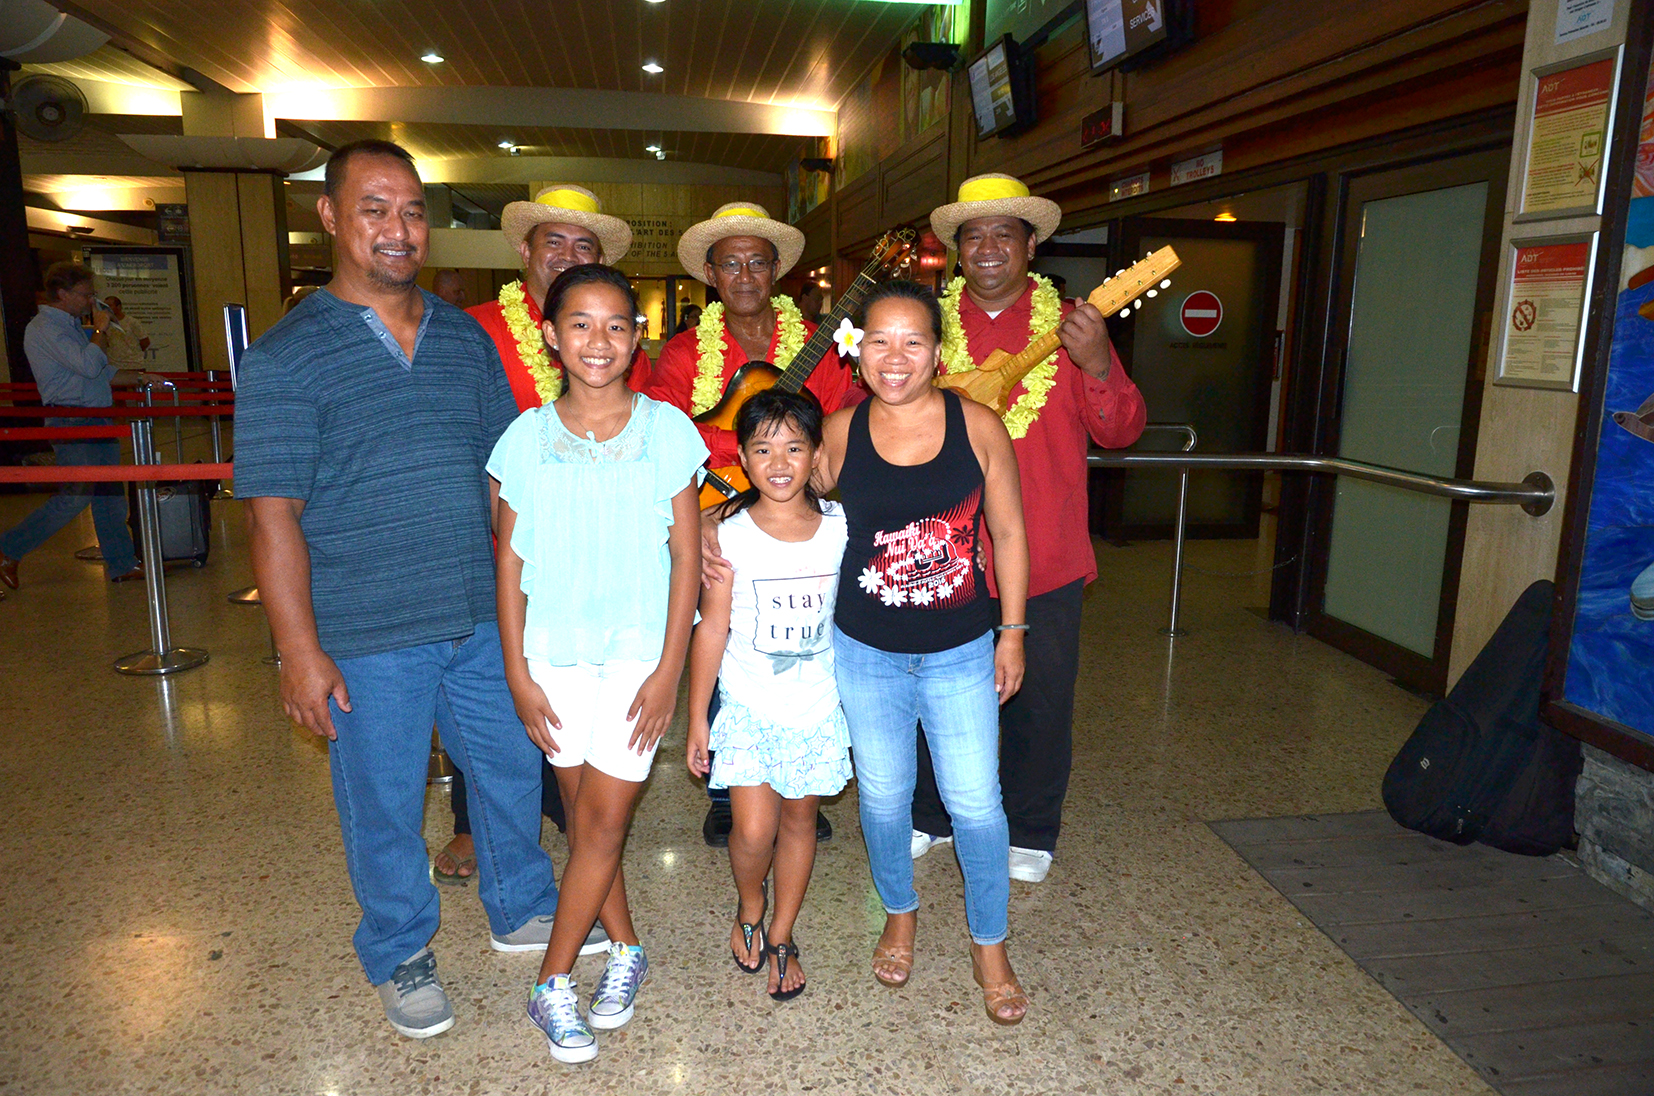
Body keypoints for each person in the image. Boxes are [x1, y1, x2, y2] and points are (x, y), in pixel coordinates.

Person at [234, 139, 572, 1040]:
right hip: (367, 631)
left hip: (478, 616)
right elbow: (272, 518)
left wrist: (533, 600)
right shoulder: (286, 356)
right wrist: (298, 652)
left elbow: (503, 482)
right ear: (330, 217)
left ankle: (519, 902)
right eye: (375, 208)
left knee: (510, 769)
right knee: (384, 800)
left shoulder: (464, 340)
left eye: (413, 211)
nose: (399, 228)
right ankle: (398, 946)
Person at [491, 264, 706, 1063]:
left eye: (617, 324)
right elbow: (508, 562)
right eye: (580, 323)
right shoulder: (524, 437)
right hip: (551, 657)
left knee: (604, 822)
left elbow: (686, 558)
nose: (598, 340)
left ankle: (550, 982)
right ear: (551, 335)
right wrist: (517, 674)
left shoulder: (667, 430)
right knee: (589, 825)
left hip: (636, 659)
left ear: (637, 337)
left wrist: (669, 670)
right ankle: (627, 949)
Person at [911, 174, 1147, 885]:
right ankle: (931, 813)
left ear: (1032, 245)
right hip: (935, 554)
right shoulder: (921, 326)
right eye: (973, 236)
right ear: (957, 250)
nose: (988, 248)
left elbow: (1120, 431)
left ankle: (1032, 827)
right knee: (929, 696)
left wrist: (1098, 363)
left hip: (1045, 555)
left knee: (1038, 704)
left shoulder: (1074, 327)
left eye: (1004, 234)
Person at [437, 184, 650, 885]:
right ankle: (473, 819)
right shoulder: (473, 327)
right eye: (553, 241)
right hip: (494, 522)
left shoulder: (612, 337)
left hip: (589, 538)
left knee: (576, 672)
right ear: (525, 250)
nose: (567, 253)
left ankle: (571, 806)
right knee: (492, 679)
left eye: (583, 245)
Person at [643, 201, 851, 847]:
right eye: (729, 264)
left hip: (794, 512)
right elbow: (663, 442)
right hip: (713, 517)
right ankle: (727, 790)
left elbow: (839, 426)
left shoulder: (818, 343)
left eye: (757, 262)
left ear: (776, 270)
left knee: (799, 636)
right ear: (710, 274)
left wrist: (815, 488)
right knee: (722, 636)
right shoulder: (684, 353)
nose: (743, 276)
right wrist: (702, 516)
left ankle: (797, 778)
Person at [686, 389, 851, 1003]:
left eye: (793, 448)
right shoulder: (729, 537)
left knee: (801, 821)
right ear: (742, 459)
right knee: (754, 831)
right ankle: (750, 904)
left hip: (818, 704)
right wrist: (697, 716)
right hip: (749, 704)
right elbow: (713, 629)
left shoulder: (841, 527)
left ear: (816, 455)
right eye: (762, 450)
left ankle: (782, 932)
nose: (779, 463)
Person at [0, 264, 158, 589]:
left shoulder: (71, 326)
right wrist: (99, 332)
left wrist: (141, 378)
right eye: (86, 294)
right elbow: (88, 365)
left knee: (109, 496)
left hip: (96, 417)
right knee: (75, 496)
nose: (91, 301)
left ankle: (122, 563)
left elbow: (101, 372)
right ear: (62, 293)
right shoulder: (44, 328)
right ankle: (8, 549)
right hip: (72, 419)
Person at [102, 296, 150, 369]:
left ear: (118, 307)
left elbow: (145, 341)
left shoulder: (132, 322)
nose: (106, 309)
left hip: (133, 365)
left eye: (110, 306)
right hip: (114, 365)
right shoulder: (105, 324)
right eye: (105, 306)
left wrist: (133, 352)